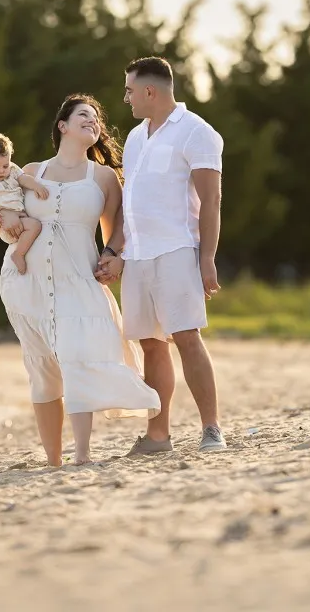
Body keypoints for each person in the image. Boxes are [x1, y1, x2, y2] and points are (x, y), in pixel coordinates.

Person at [0, 95, 161, 467]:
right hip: (24, 280)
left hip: (79, 278)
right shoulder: (29, 170)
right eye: (83, 115)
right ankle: (54, 459)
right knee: (42, 366)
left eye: (96, 118)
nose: (93, 121)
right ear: (62, 126)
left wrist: (115, 258)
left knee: (78, 357)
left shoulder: (104, 177)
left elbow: (118, 231)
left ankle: (83, 454)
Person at [95, 56, 228, 454]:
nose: (126, 98)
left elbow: (212, 201)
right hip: (138, 257)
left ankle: (212, 429)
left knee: (186, 336)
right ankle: (159, 436)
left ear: (149, 91)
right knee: (151, 344)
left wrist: (206, 258)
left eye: (129, 90)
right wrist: (116, 251)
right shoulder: (136, 138)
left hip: (176, 251)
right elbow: (131, 205)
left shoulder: (197, 133)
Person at [0, 133, 50, 275]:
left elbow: (23, 178)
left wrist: (36, 186)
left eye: (5, 165)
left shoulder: (11, 171)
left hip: (20, 217)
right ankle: (19, 254)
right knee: (35, 226)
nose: (1, 171)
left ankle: (22, 254)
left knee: (35, 226)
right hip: (2, 220)